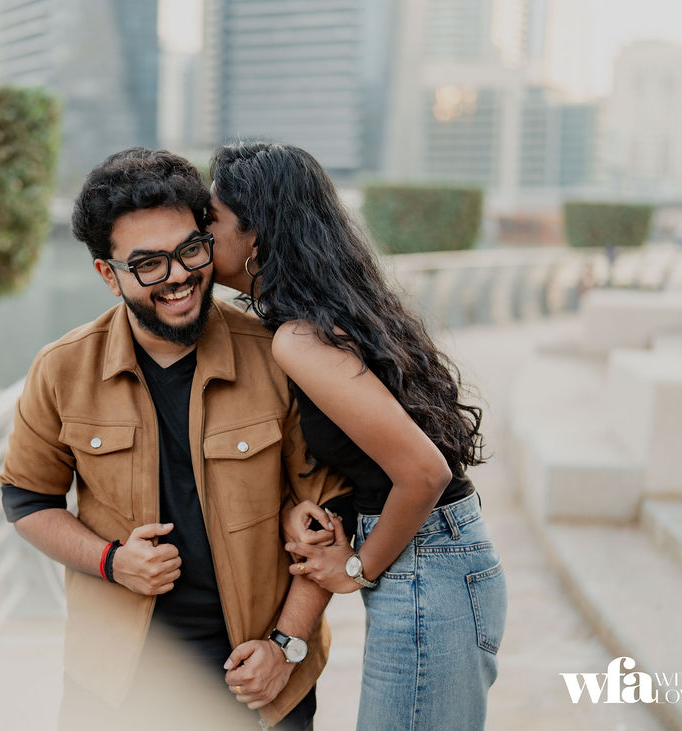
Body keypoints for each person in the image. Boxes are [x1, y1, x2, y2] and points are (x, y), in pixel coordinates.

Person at [0, 147, 349, 730]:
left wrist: (285, 648)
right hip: (113, 686)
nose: (179, 276)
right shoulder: (60, 369)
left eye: (190, 250)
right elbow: (27, 501)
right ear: (108, 275)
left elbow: (330, 510)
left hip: (260, 681)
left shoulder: (279, 354)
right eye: (149, 264)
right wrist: (113, 562)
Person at [207, 141, 508, 731]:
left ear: (256, 238)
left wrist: (356, 570)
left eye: (210, 222)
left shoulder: (301, 338)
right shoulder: (329, 314)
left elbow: (424, 472)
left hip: (428, 568)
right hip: (440, 561)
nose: (199, 237)